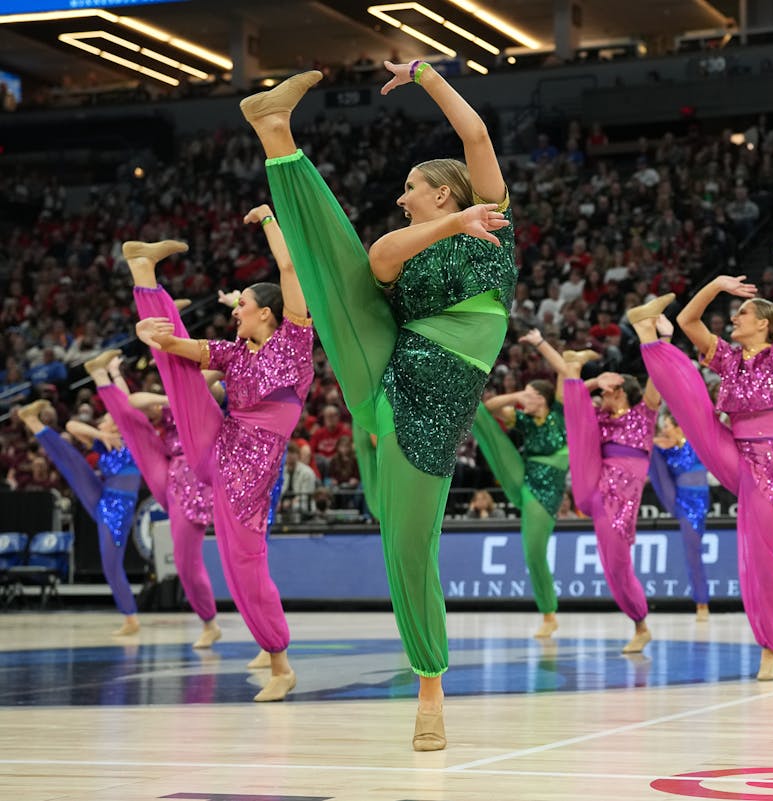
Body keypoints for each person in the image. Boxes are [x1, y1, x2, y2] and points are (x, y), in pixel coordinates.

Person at [237, 65, 513, 748]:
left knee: (409, 545)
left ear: (445, 186)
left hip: (431, 409)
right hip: (388, 374)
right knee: (340, 279)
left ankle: (428, 681)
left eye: (413, 187)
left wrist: (424, 75)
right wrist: (449, 221)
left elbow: (474, 131)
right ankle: (277, 133)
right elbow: (380, 258)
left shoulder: (494, 216)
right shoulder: (423, 236)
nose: (402, 195)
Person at [130, 220, 311, 705]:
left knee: (243, 571)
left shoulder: (294, 342)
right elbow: (182, 347)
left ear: (268, 313)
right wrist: (149, 333)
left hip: (248, 479)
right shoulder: (232, 353)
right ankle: (144, 275)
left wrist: (272, 218)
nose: (236, 313)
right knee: (180, 369)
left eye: (243, 306)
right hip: (217, 446)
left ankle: (280, 664)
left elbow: (289, 265)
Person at [632, 235, 773, 681]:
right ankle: (648, 337)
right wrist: (716, 283)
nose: (733, 318)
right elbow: (687, 318)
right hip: (730, 447)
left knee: (764, 559)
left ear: (764, 323)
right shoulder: (728, 359)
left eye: (742, 313)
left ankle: (771, 648)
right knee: (692, 396)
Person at [85, 351, 222, 648]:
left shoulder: (200, 396)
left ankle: (209, 622)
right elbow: (132, 404)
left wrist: (180, 393)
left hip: (196, 476)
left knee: (186, 563)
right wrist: (163, 398)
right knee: (133, 427)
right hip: (170, 469)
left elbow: (213, 375)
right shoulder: (171, 404)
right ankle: (102, 374)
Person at [561, 348, 660, 654]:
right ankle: (574, 368)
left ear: (618, 391)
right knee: (579, 416)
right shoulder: (599, 416)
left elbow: (658, 378)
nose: (600, 395)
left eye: (606, 390)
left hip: (620, 499)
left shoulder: (644, 412)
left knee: (616, 565)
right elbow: (570, 405)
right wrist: (591, 383)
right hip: (597, 482)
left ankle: (640, 625)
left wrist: (663, 338)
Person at [16, 400, 142, 636]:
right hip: (103, 496)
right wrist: (99, 434)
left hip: (119, 510)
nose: (100, 422)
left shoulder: (132, 439)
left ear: (116, 424)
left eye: (104, 420)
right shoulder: (103, 443)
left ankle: (131, 618)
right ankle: (32, 421)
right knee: (72, 462)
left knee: (111, 566)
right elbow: (73, 426)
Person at [474, 351, 567, 639]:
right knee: (477, 413)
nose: (525, 399)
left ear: (543, 397)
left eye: (531, 394)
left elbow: (563, 371)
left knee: (534, 553)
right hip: (524, 477)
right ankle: (548, 615)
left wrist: (541, 345)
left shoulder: (560, 412)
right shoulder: (524, 420)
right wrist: (517, 394)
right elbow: (490, 407)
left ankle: (549, 615)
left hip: (545, 493)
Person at [650, 408, 713, 621]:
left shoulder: (695, 443)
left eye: (666, 425)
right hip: (683, 504)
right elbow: (657, 467)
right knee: (692, 551)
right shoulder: (665, 450)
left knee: (694, 550)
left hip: (700, 503)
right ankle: (702, 602)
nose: (664, 430)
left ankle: (702, 601)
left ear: (678, 426)